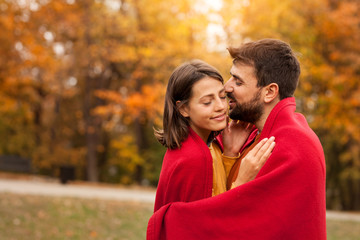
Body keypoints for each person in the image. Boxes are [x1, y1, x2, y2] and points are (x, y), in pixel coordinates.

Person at [147, 39, 326, 240]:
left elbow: (240, 225)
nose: (227, 86)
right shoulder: (270, 134)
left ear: (269, 92)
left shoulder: (289, 146)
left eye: (238, 81)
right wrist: (231, 160)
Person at [153, 59, 275, 212]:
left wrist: (229, 154)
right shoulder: (193, 158)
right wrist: (242, 181)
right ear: (183, 109)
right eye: (207, 102)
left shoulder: (209, 145)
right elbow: (206, 225)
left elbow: (217, 192)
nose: (221, 107)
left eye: (222, 97)